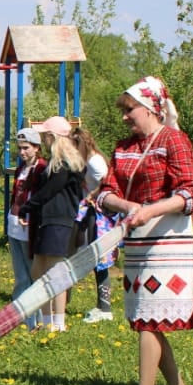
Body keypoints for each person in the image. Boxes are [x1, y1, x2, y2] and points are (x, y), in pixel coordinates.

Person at [96, 76, 193, 385]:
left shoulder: (173, 141)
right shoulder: (123, 147)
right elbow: (105, 192)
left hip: (168, 243)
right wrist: (127, 206)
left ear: (149, 109)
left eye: (129, 110)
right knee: (149, 319)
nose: (125, 117)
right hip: (138, 243)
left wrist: (150, 209)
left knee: (148, 319)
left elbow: (190, 191)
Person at [21, 115, 86, 332]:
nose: (44, 140)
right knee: (38, 270)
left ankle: (58, 323)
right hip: (46, 221)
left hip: (60, 221)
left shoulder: (66, 165)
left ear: (52, 136)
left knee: (55, 273)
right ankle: (46, 319)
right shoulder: (54, 164)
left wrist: (27, 206)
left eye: (46, 136)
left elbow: (49, 191)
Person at [73, 124, 116, 323]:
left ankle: (105, 307)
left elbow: (106, 182)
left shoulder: (95, 162)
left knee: (100, 260)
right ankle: (101, 304)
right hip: (90, 212)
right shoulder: (87, 161)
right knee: (95, 258)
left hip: (99, 215)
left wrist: (91, 195)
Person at [6, 127, 46, 331]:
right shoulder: (22, 168)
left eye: (26, 148)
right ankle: (19, 315)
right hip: (14, 224)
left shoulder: (41, 168)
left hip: (29, 226)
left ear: (36, 148)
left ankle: (35, 318)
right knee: (20, 274)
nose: (22, 152)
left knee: (33, 273)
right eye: (20, 148)